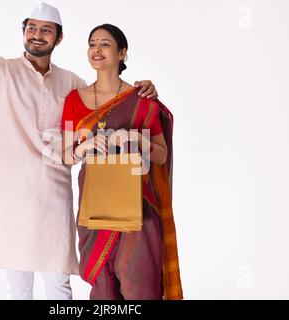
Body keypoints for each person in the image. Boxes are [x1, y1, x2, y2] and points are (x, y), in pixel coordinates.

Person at [0, 2, 157, 300]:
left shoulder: (71, 83)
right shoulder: (1, 71)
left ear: (58, 38)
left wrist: (141, 88)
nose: (37, 35)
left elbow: (108, 101)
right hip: (9, 195)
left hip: (54, 194)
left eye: (46, 30)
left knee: (58, 283)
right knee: (18, 286)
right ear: (24, 32)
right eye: (31, 28)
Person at [61, 24, 183, 300]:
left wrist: (136, 140)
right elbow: (65, 154)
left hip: (139, 201)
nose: (96, 50)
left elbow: (161, 153)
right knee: (103, 278)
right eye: (92, 44)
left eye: (105, 44)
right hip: (96, 203)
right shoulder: (74, 100)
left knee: (136, 274)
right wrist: (84, 147)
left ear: (122, 53)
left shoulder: (141, 98)